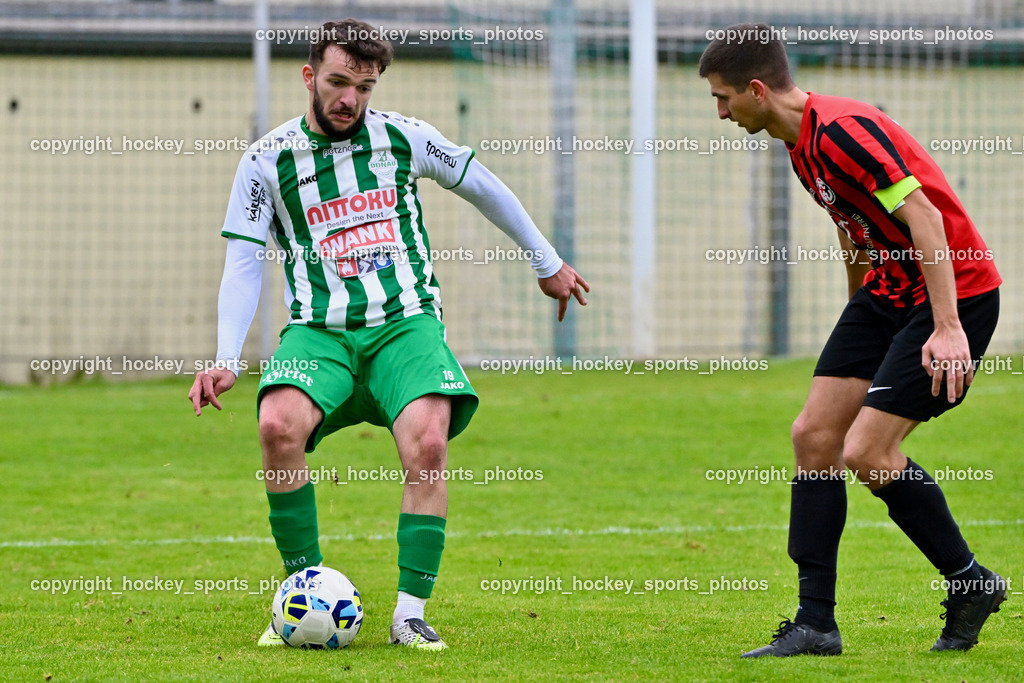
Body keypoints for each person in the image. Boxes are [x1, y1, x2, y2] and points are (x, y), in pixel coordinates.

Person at [188, 18, 589, 651]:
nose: (350, 98)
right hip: (319, 332)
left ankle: (410, 612)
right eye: (339, 82)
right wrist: (225, 359)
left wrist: (546, 261)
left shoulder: (404, 138)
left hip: (405, 326)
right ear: (310, 76)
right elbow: (242, 261)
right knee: (275, 428)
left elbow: (484, 186)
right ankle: (302, 599)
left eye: (365, 86)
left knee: (428, 444)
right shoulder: (266, 160)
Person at [699, 23, 1005, 657]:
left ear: (757, 89)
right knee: (814, 437)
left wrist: (948, 327)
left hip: (957, 294)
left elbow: (924, 215)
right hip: (888, 294)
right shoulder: (797, 144)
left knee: (867, 453)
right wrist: (858, 311)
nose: (722, 111)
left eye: (724, 98)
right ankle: (816, 624)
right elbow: (855, 228)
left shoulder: (843, 131)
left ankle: (971, 581)